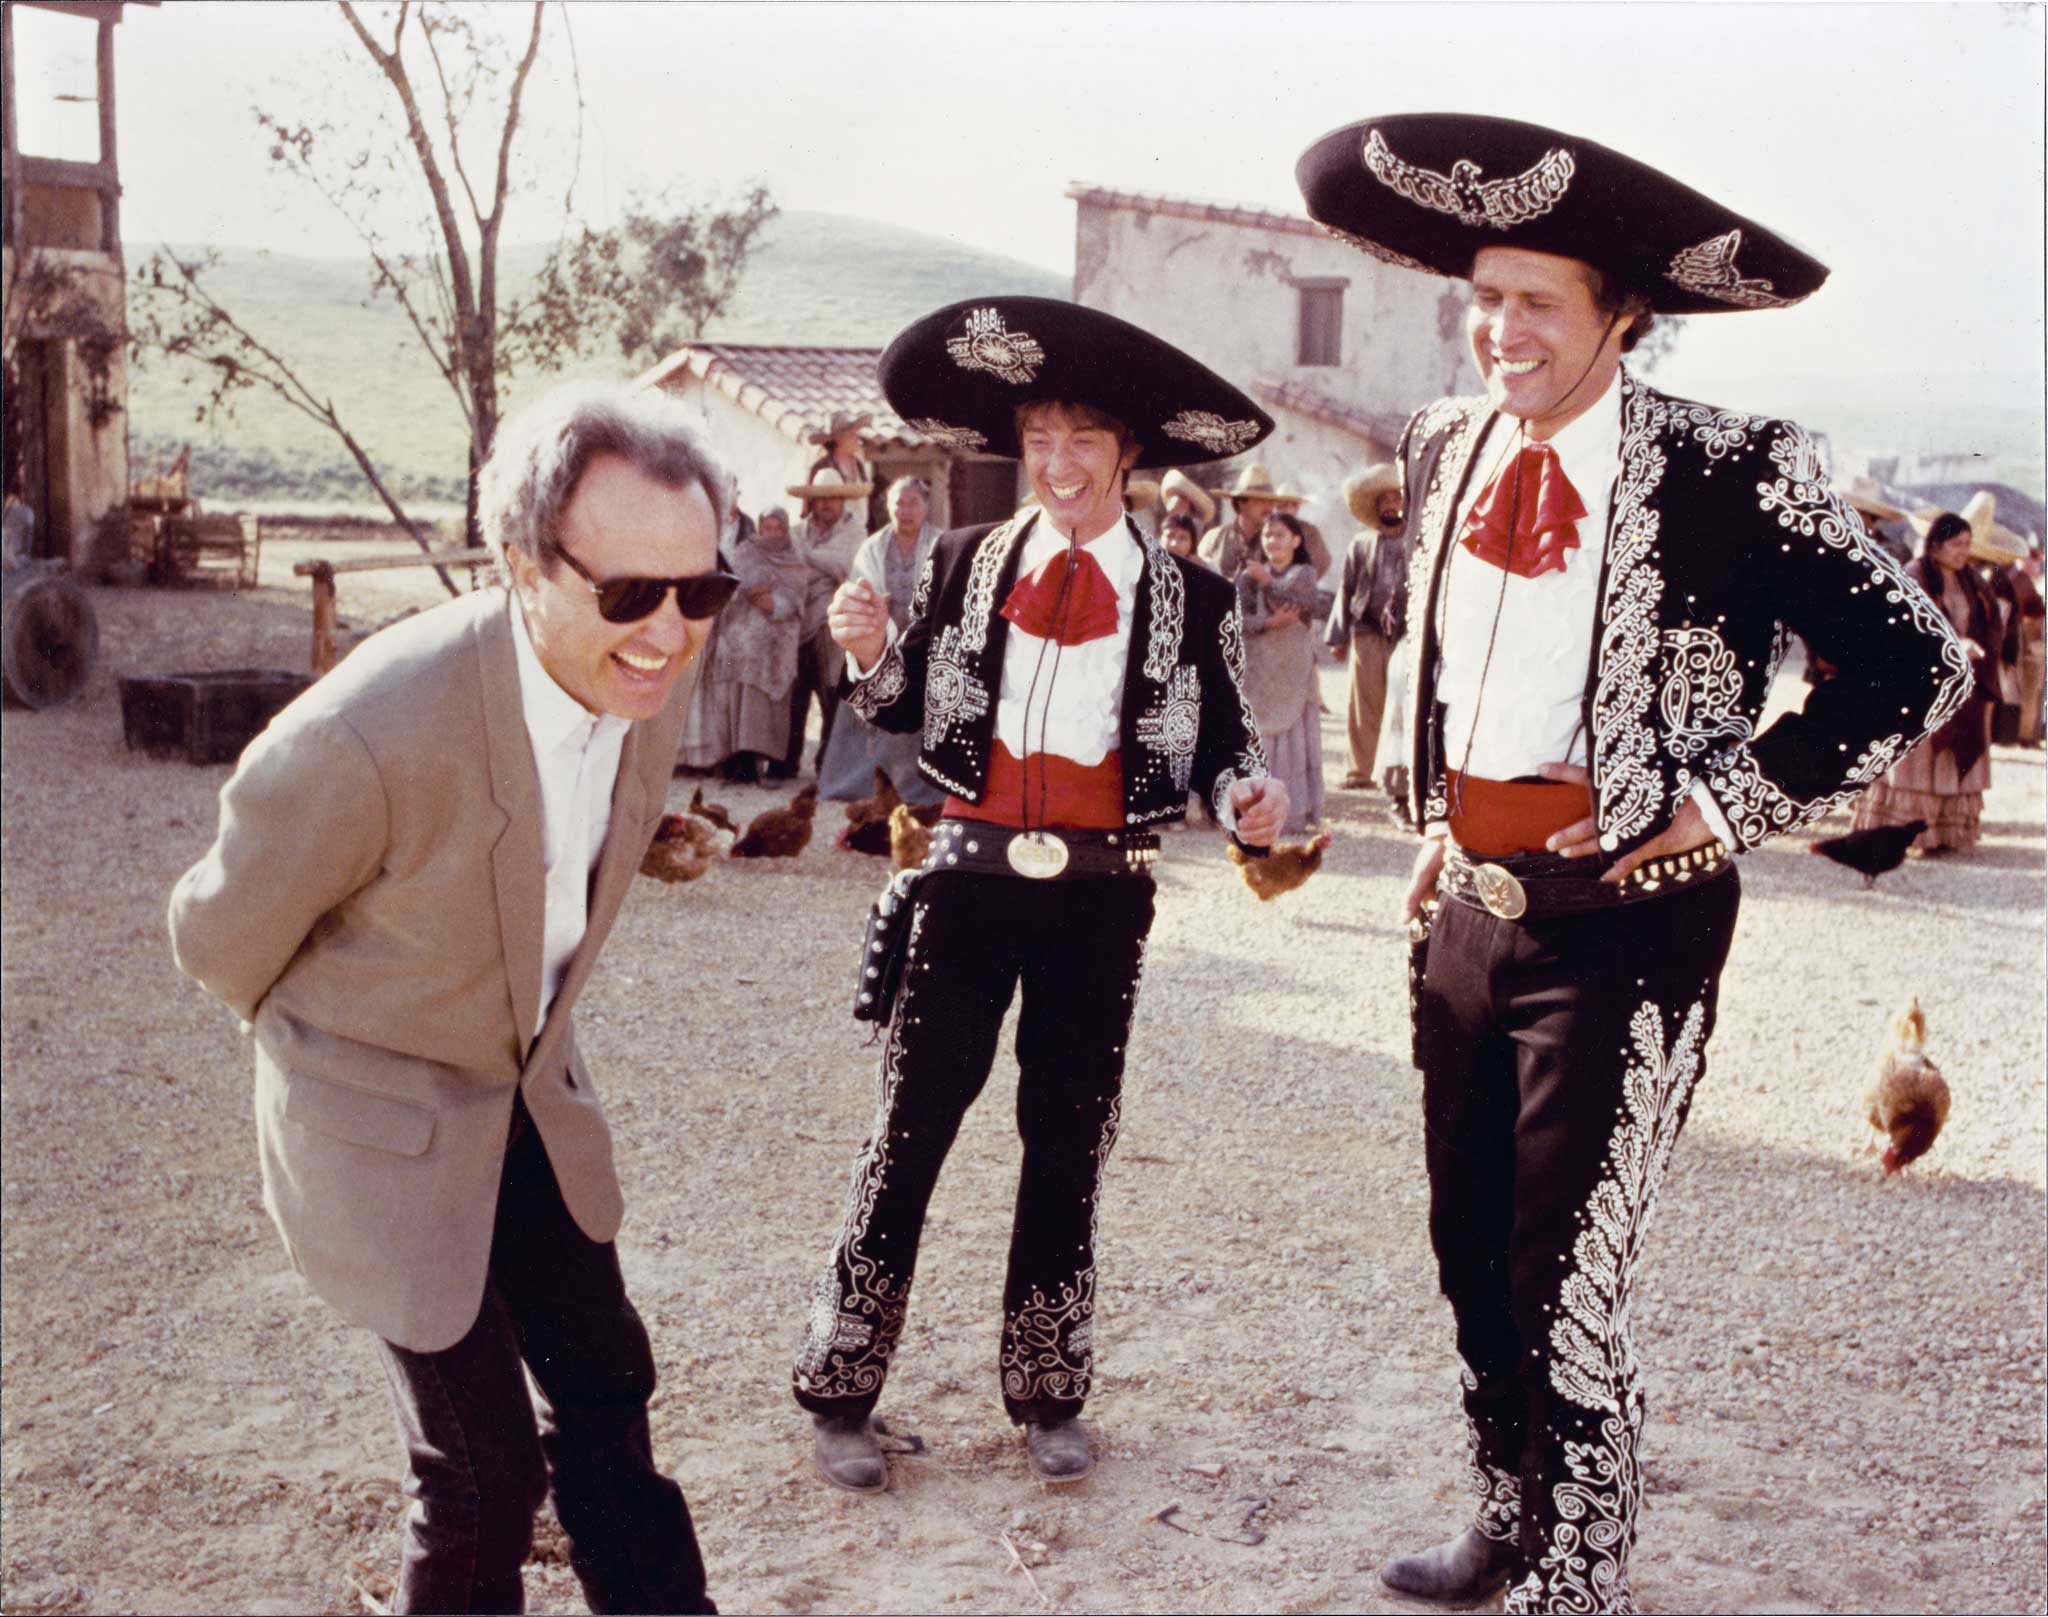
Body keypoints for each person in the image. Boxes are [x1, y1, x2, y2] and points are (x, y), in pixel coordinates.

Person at [1296, 113, 1969, 1613]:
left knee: (1568, 1270)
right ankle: (1508, 1516)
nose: (1500, 330)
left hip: (1636, 927)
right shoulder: (1438, 443)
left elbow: (1921, 661)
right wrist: (1438, 824)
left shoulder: (1734, 466)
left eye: (1539, 300)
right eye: (1484, 295)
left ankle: (1583, 1574)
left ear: (1624, 319)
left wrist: (1733, 799)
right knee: (1469, 1248)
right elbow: (1448, 661)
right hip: (1469, 907)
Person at [166, 383, 736, 1615]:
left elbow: (556, 835)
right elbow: (218, 939)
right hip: (377, 1115)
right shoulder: (365, 733)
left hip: (524, 1086)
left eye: (702, 591)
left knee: (606, 1388)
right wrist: (357, 1050)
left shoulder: (650, 660)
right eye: (630, 592)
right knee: (480, 1474)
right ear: (523, 565)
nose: (670, 630)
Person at [790, 295, 1287, 1495]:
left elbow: (1223, 741)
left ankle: (1050, 1393)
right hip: (962, 884)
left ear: (1128, 455)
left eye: (1083, 442)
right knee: (909, 1132)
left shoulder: (1193, 598)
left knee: (1066, 1141)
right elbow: (904, 706)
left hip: (1103, 900)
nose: (1057, 465)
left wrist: (1247, 798)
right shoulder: (964, 562)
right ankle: (840, 1391)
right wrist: (866, 649)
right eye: (1040, 441)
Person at [1849, 511, 1999, 853]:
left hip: (1964, 688)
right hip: (1922, 686)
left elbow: (1990, 625)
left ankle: (1946, 833)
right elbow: (1900, 629)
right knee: (1920, 760)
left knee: (1949, 761)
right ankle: (1910, 834)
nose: (1964, 552)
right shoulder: (1914, 577)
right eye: (1956, 544)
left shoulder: (1973, 581)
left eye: (1968, 545)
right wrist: (1951, 646)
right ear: (1936, 545)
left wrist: (1976, 646)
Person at [816, 477, 946, 804]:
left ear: (926, 507)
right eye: (898, 503)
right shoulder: (873, 546)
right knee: (867, 703)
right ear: (887, 506)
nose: (905, 510)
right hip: (880, 635)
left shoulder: (941, 543)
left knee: (916, 708)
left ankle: (916, 789)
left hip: (923, 637)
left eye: (913, 502)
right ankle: (860, 786)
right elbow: (859, 586)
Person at [679, 504, 807, 781]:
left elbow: (797, 597)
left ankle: (772, 764)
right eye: (767, 527)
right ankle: (741, 764)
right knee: (736, 697)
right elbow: (730, 588)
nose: (772, 534)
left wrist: (773, 602)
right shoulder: (745, 552)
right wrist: (748, 593)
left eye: (778, 528)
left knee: (767, 703)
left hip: (773, 645)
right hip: (738, 643)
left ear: (786, 530)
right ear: (759, 528)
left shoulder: (793, 558)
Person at [1238, 510, 1326, 831]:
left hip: (1293, 668)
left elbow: (1301, 602)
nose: (1272, 540)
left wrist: (1268, 581)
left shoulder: (1304, 574)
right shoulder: (1247, 576)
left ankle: (1293, 813)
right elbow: (1236, 619)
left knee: (1293, 737)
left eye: (1279, 535)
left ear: (1296, 540)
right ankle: (1253, 810)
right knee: (1259, 733)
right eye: (1267, 535)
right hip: (1259, 667)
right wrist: (1267, 622)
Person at [784, 467, 872, 777]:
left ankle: (829, 767)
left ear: (843, 500)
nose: (827, 504)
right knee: (794, 696)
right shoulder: (798, 530)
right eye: (821, 499)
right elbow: (790, 567)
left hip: (833, 625)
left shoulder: (856, 530)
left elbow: (845, 563)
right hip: (798, 623)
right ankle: (786, 763)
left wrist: (808, 557)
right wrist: (823, 567)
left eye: (833, 498)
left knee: (832, 695)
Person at [1326, 462, 1408, 790]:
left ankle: (1397, 770)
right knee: (1363, 703)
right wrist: (1337, 636)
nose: (1391, 505)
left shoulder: (1418, 540)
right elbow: (1345, 589)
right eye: (1385, 500)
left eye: (1397, 498)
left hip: (1406, 632)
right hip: (1367, 629)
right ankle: (1360, 771)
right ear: (1376, 506)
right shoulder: (1360, 544)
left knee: (1403, 702)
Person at [806, 409, 883, 532]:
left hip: (859, 533)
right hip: (831, 534)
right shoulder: (821, 467)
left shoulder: (859, 465)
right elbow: (808, 506)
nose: (856, 438)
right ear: (838, 439)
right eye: (851, 434)